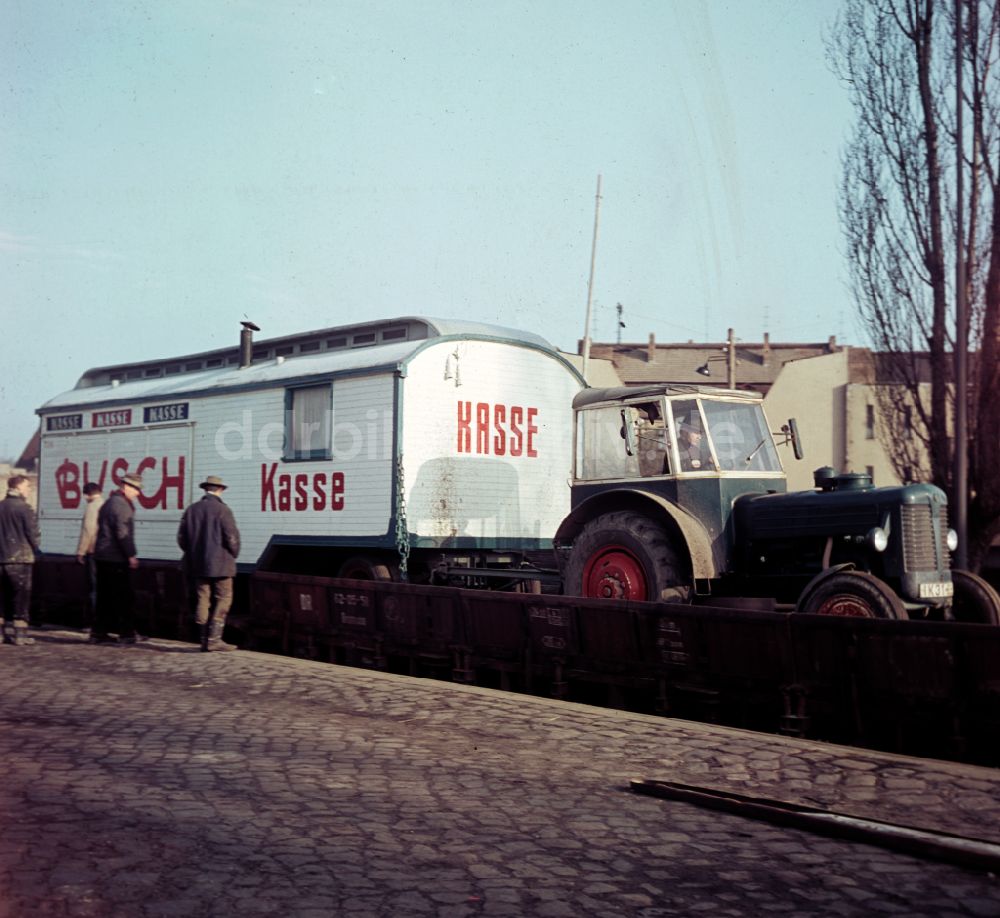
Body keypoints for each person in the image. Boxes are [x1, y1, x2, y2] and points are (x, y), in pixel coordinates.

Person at [177, 475, 240, 652]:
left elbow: (181, 538)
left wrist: (192, 553)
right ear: (220, 490)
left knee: (202, 599)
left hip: (197, 564)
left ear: (205, 489)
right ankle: (215, 639)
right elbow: (232, 537)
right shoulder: (223, 510)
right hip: (221, 564)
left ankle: (204, 639)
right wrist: (233, 554)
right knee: (224, 598)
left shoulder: (191, 510)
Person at [92, 473, 144, 645]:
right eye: (136, 489)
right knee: (125, 597)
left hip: (103, 556)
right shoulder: (121, 505)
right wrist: (131, 555)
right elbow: (123, 533)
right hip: (115, 558)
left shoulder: (109, 503)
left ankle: (98, 633)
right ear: (126, 486)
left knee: (105, 597)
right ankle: (127, 634)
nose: (138, 493)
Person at [0, 475, 40, 646]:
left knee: (1, 597)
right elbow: (33, 535)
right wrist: (37, 548)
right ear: (18, 488)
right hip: (20, 559)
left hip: (1, 558)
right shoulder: (25, 509)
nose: (29, 489)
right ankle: (20, 635)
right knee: (21, 597)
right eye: (27, 486)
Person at [76, 482, 104, 627]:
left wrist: (81, 551)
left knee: (94, 588)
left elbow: (88, 531)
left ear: (86, 494)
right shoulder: (105, 505)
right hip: (105, 552)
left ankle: (95, 622)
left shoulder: (92, 507)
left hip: (93, 552)